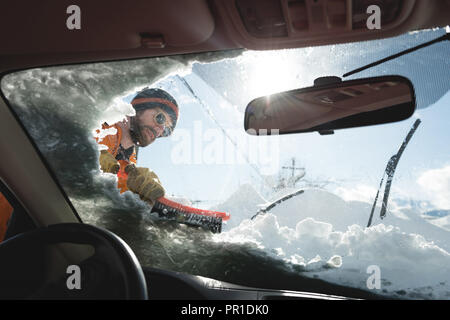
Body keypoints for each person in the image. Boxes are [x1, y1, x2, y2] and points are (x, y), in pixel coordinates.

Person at [96, 88, 178, 204]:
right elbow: (82, 149)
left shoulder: (130, 158)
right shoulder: (101, 122)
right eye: (160, 119)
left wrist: (142, 198)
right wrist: (99, 158)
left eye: (166, 130)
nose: (160, 130)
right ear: (139, 108)